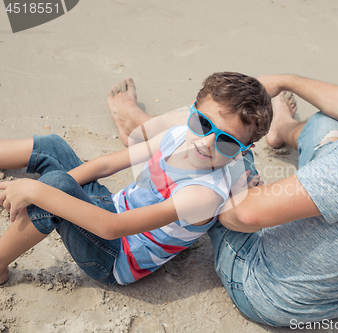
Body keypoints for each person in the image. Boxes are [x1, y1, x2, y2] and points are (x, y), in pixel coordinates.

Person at [100, 7, 338, 326]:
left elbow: (242, 215)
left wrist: (229, 164)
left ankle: (142, 128)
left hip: (268, 286)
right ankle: (282, 129)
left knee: (220, 130)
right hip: (337, 295)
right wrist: (286, 81)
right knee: (328, 125)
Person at [0, 72, 272, 286]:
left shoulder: (204, 194)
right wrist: (41, 194)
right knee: (54, 147)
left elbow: (111, 228)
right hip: (111, 206)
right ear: (192, 111)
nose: (207, 142)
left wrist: (37, 192)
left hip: (114, 256)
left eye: (227, 142)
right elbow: (106, 164)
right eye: (202, 124)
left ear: (243, 151)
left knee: (56, 185)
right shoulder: (177, 136)